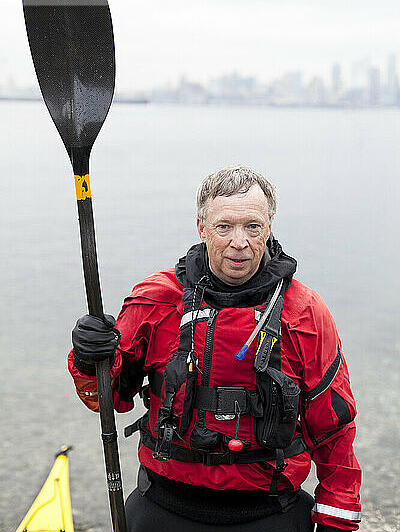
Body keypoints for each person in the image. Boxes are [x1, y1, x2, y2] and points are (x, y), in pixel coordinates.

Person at [69, 165, 362, 532]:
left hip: (270, 511)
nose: (239, 242)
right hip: (163, 505)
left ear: (269, 226)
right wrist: (87, 358)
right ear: (202, 228)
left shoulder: (304, 312)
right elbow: (105, 400)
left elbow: (334, 431)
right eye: (224, 227)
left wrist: (337, 519)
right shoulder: (156, 300)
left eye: (252, 226)